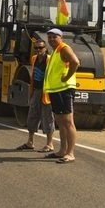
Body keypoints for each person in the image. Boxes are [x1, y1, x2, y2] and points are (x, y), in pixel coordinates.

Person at [43, 28, 80, 164]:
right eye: (49, 37)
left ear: (61, 37)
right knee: (60, 121)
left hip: (64, 90)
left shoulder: (64, 48)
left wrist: (67, 77)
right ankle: (62, 150)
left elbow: (75, 62)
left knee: (68, 122)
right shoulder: (55, 51)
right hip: (56, 90)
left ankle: (70, 153)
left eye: (54, 37)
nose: (51, 39)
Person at [15, 39, 55, 153]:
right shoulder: (34, 59)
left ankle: (49, 144)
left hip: (46, 92)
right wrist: (31, 92)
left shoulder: (50, 59)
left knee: (47, 117)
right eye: (36, 48)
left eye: (40, 48)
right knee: (32, 115)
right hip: (36, 90)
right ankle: (30, 142)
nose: (38, 50)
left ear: (45, 48)